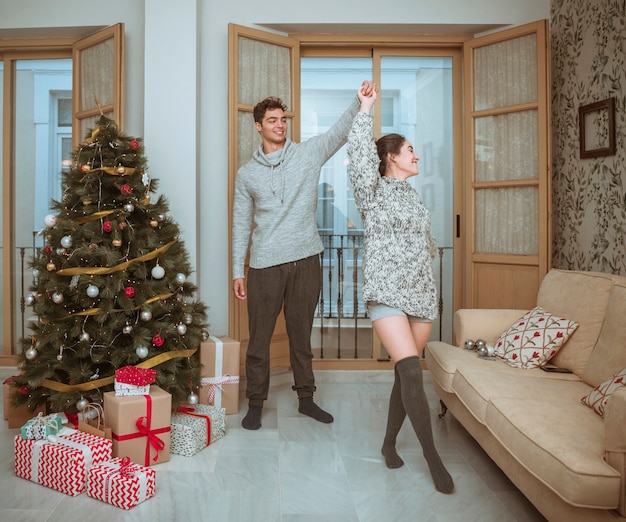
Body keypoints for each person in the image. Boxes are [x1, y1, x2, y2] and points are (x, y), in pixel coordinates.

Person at [232, 81, 378, 430]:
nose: (280, 124)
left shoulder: (308, 154)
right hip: (265, 265)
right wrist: (238, 269)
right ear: (258, 126)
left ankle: (306, 399)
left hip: (306, 260)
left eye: (283, 119)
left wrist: (359, 103)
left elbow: (337, 133)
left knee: (301, 336)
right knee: (259, 341)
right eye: (272, 120)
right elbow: (240, 224)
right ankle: (255, 403)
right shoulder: (246, 174)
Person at [346, 85, 454, 493]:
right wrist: (366, 108)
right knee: (411, 370)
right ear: (391, 157)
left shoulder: (413, 196)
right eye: (410, 149)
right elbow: (358, 156)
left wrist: (423, 262)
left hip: (421, 295)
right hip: (387, 293)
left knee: (403, 378)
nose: (417, 155)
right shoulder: (372, 192)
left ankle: (389, 444)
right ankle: (433, 459)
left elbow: (423, 244)